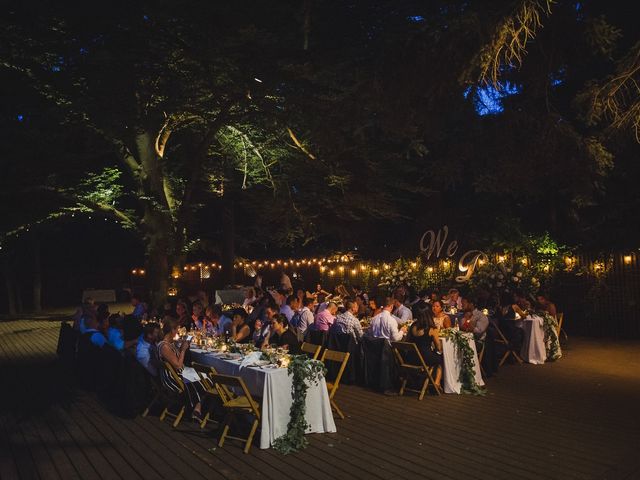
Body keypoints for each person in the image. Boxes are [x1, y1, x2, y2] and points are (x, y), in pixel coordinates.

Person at [157, 318, 206, 419]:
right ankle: (197, 407)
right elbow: (178, 365)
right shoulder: (164, 346)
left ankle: (197, 407)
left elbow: (175, 359)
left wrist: (181, 348)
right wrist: (183, 350)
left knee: (204, 376)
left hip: (177, 373)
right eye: (177, 330)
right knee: (205, 378)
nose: (177, 332)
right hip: (173, 378)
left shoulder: (169, 344)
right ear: (172, 330)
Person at [406, 309, 443, 385]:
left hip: (411, 357)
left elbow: (407, 340)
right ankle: (437, 383)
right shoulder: (431, 329)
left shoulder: (413, 326)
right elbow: (438, 348)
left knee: (434, 357)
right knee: (440, 360)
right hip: (424, 358)